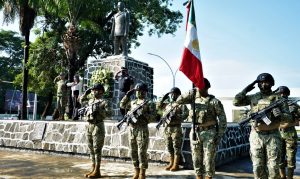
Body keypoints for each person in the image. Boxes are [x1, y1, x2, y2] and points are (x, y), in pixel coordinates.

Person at [233, 73, 292, 179]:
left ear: (272, 84)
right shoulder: (253, 97)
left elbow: (289, 118)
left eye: (267, 82)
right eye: (261, 82)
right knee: (258, 168)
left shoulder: (278, 99)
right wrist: (247, 89)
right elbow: (236, 102)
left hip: (273, 136)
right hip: (256, 136)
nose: (264, 84)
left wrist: (280, 114)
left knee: (273, 168)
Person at [176, 78, 227, 179]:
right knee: (196, 158)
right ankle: (199, 176)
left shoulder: (214, 102)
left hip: (210, 132)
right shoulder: (193, 100)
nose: (199, 88)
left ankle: (208, 177)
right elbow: (178, 101)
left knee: (208, 159)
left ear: (207, 87)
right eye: (197, 86)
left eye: (201, 86)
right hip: (195, 132)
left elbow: (222, 120)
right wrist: (190, 92)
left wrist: (219, 135)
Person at [120, 83, 156, 179]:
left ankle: (142, 173)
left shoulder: (149, 103)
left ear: (144, 92)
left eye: (140, 91)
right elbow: (122, 105)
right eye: (137, 91)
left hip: (142, 129)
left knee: (141, 152)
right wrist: (127, 95)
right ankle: (136, 170)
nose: (138, 92)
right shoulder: (132, 102)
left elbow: (153, 117)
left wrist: (143, 114)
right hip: (132, 129)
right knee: (133, 151)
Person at [79, 83, 112, 178]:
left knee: (97, 149)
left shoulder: (104, 102)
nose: (94, 92)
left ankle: (97, 170)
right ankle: (93, 168)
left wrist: (99, 110)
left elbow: (109, 113)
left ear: (101, 91)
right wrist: (85, 93)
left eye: (95, 90)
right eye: (93, 90)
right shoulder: (90, 101)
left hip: (98, 126)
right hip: (89, 125)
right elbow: (80, 100)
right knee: (91, 149)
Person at [156, 87, 188, 171]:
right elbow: (158, 106)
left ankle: (176, 164)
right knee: (169, 146)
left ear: (178, 94)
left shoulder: (181, 104)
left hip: (176, 128)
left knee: (176, 147)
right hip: (167, 128)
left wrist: (177, 116)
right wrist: (164, 97)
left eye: (174, 94)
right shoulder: (168, 104)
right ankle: (171, 162)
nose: (172, 95)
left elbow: (186, 114)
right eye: (171, 94)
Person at [276, 86, 299, 179]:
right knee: (279, 158)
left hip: (290, 136)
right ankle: (282, 177)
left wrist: (287, 125)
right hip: (277, 135)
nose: (282, 95)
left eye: (284, 93)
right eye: (280, 93)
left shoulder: (293, 105)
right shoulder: (274, 105)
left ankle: (290, 177)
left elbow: (297, 121)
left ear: (287, 94)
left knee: (290, 159)